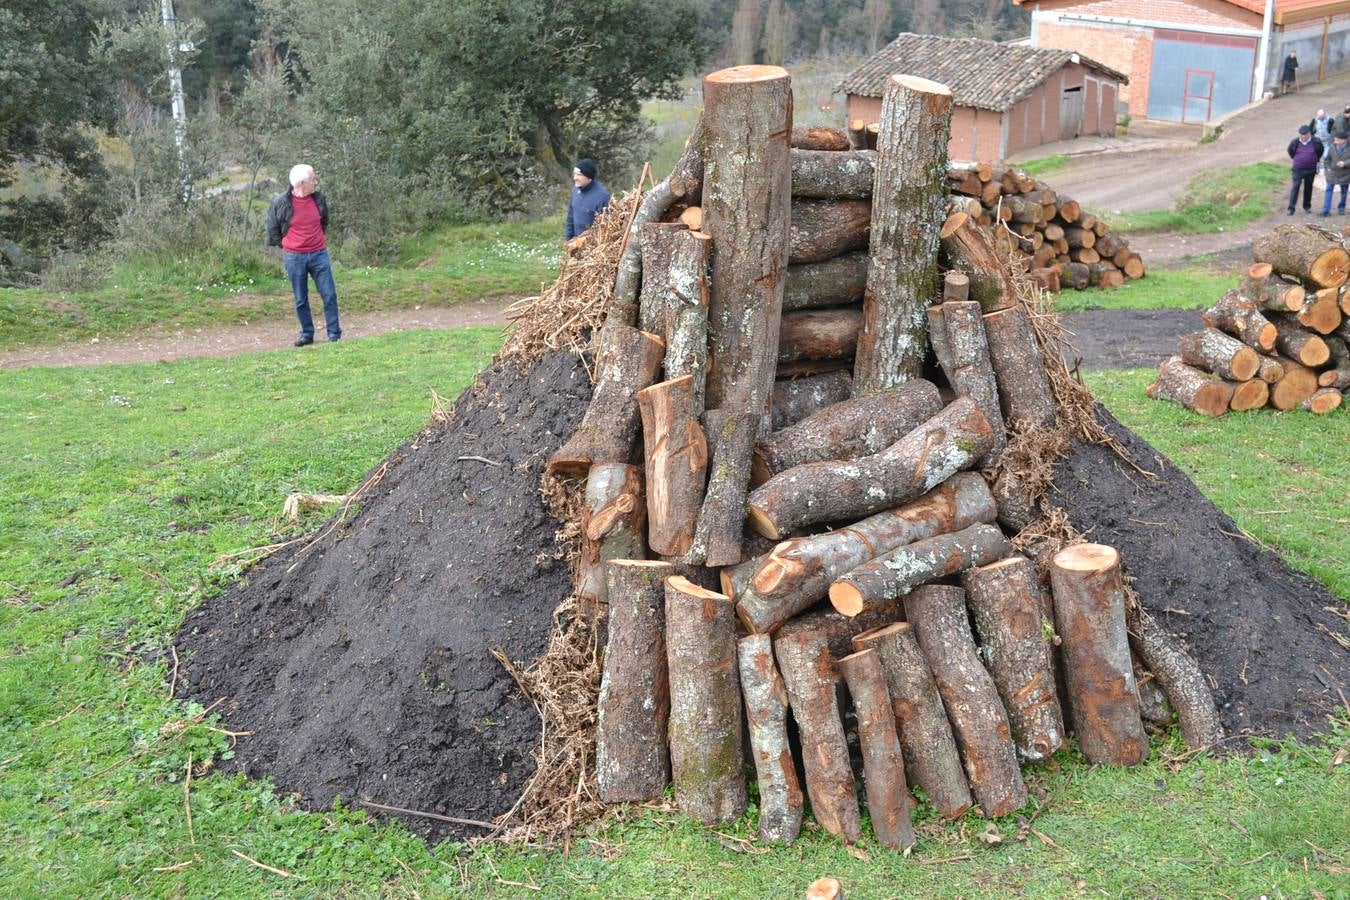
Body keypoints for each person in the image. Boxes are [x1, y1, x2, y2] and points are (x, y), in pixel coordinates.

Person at [267, 164, 341, 346]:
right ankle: (307, 334)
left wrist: (317, 240)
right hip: (294, 257)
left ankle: (334, 335)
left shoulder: (319, 199)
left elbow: (324, 222)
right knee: (301, 298)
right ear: (302, 183)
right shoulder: (280, 203)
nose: (316, 182)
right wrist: (286, 244)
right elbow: (273, 229)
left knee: (329, 294)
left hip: (319, 254)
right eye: (313, 179)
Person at [565, 159, 611, 243]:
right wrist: (568, 239)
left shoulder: (603, 197)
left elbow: (606, 228)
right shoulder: (575, 191)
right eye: (574, 174)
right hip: (576, 243)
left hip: (593, 247)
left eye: (579, 175)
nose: (575, 178)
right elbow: (570, 217)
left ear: (589, 177)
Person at [1288, 125, 1324, 215]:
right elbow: (1290, 151)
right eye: (1301, 135)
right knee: (1295, 187)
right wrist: (1298, 160)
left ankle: (1307, 206)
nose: (1303, 136)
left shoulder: (1316, 142)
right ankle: (1291, 208)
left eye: (1305, 135)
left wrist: (1314, 159)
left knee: (1308, 188)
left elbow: (1320, 151)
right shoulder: (1295, 142)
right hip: (1298, 169)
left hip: (1310, 169)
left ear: (1309, 134)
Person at [1323, 132, 1350, 215]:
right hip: (1332, 173)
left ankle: (1341, 208)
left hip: (1345, 174)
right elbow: (1327, 159)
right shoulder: (1332, 147)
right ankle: (1326, 210)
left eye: (1337, 140)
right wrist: (1327, 168)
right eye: (1335, 139)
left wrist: (1345, 163)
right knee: (1328, 190)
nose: (1335, 141)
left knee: (1344, 192)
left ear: (1344, 140)